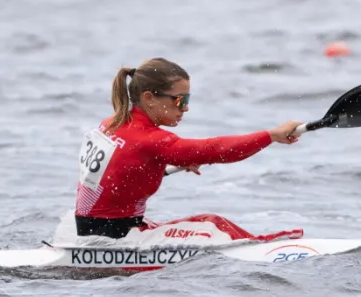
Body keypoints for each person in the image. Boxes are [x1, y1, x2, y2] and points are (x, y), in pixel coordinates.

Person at [74, 58, 301, 239]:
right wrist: (271, 135)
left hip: (87, 228)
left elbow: (120, 170)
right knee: (213, 224)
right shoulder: (151, 140)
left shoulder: (112, 123)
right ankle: (263, 248)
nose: (186, 108)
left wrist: (168, 160)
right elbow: (217, 150)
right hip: (117, 236)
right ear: (149, 98)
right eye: (180, 100)